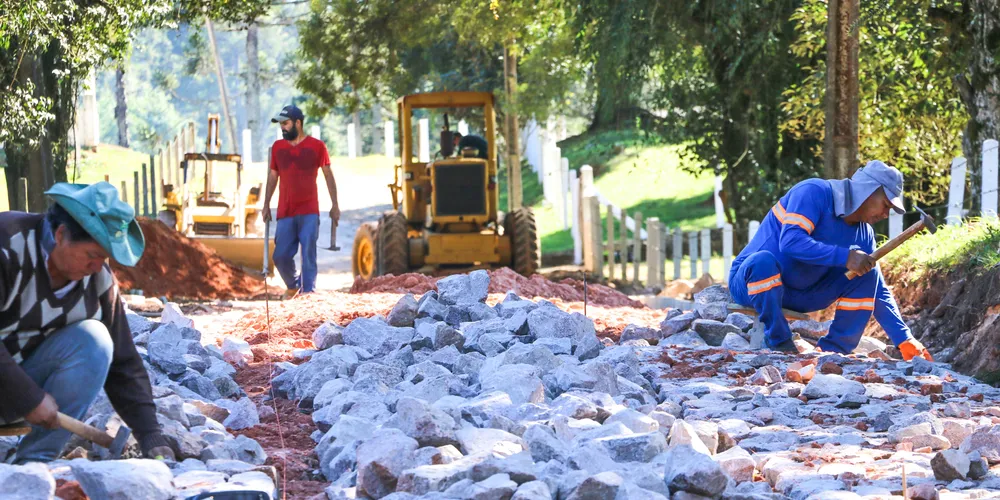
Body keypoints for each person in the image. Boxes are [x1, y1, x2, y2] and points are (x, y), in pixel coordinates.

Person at [0, 182, 174, 463]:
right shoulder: (8, 246)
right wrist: (27, 396)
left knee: (95, 339)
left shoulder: (97, 282)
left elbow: (124, 362)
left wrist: (150, 434)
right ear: (60, 235)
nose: (97, 266)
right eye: (92, 256)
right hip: (13, 390)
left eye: (103, 258)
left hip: (10, 393)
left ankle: (32, 467)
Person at [729, 160, 933, 361]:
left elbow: (878, 290)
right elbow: (790, 241)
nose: (885, 214)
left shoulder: (864, 234)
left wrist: (904, 338)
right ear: (868, 190)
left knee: (867, 274)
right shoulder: (814, 192)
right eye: (886, 205)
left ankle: (832, 353)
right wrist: (846, 257)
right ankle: (781, 342)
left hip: (801, 295)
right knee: (762, 262)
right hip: (751, 283)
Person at [263, 104, 340, 295]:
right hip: (285, 211)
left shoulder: (317, 146)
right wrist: (265, 204)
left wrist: (335, 204)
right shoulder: (277, 148)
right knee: (280, 256)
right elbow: (273, 177)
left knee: (308, 253)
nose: (283, 127)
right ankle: (294, 285)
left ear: (298, 123)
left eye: (286, 123)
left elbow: (328, 175)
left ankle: (308, 292)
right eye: (281, 124)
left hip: (309, 211)